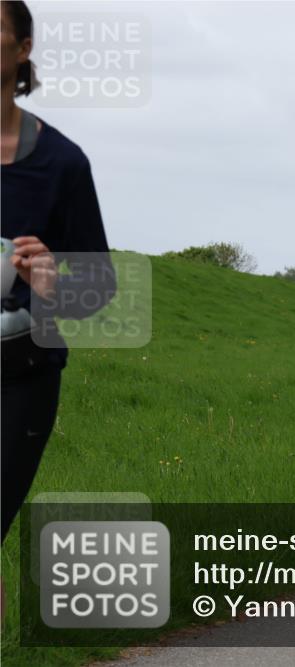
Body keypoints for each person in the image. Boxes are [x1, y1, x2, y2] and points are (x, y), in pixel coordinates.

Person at [2, 0, 114, 545]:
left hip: (18, 377)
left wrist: (51, 286)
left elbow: (99, 287)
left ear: (23, 50)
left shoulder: (61, 163)